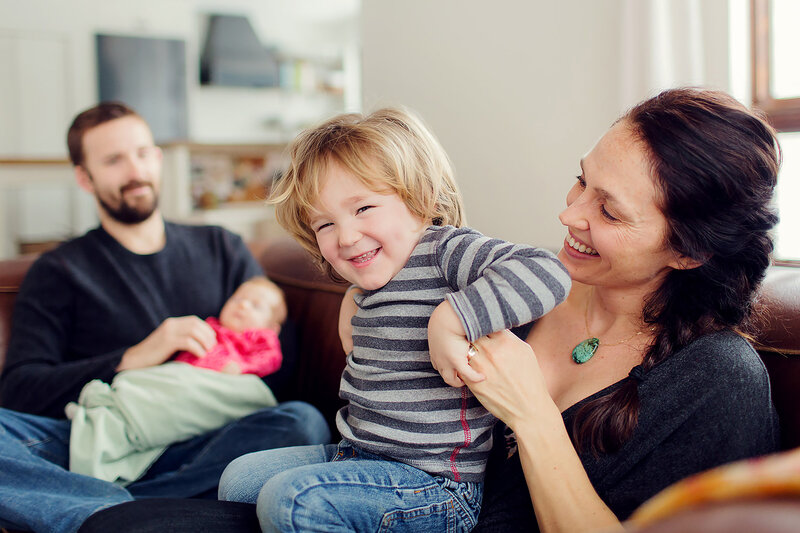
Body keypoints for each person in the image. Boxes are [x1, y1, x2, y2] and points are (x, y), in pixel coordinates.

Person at [76, 87, 781, 533]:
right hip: (370, 498)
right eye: (580, 178)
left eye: (608, 208)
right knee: (120, 523)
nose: (568, 212)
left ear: (686, 251)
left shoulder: (720, 378)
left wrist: (531, 414)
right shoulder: (527, 290)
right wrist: (362, 297)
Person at [216, 107, 572, 532]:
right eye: (325, 224)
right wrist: (354, 295)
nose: (346, 237)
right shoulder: (367, 285)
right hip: (359, 456)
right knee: (238, 481)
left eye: (364, 207)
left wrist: (452, 319)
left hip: (435, 486)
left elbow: (547, 271)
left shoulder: (445, 250)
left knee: (292, 501)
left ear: (419, 200)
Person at [0, 102, 330, 533]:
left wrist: (224, 372)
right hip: (92, 442)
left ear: (157, 158)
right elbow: (19, 389)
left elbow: (276, 350)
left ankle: (115, 514)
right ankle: (147, 515)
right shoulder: (59, 271)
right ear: (85, 177)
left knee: (302, 423)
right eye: (113, 160)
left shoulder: (220, 247)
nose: (133, 170)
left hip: (208, 442)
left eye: (142, 152)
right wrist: (135, 356)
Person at [65, 277, 289, 485]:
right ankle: (112, 412)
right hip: (177, 381)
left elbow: (270, 358)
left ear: (273, 328)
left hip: (216, 387)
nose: (243, 306)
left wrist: (242, 368)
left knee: (301, 421)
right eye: (238, 299)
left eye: (256, 306)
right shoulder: (209, 327)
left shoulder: (259, 339)